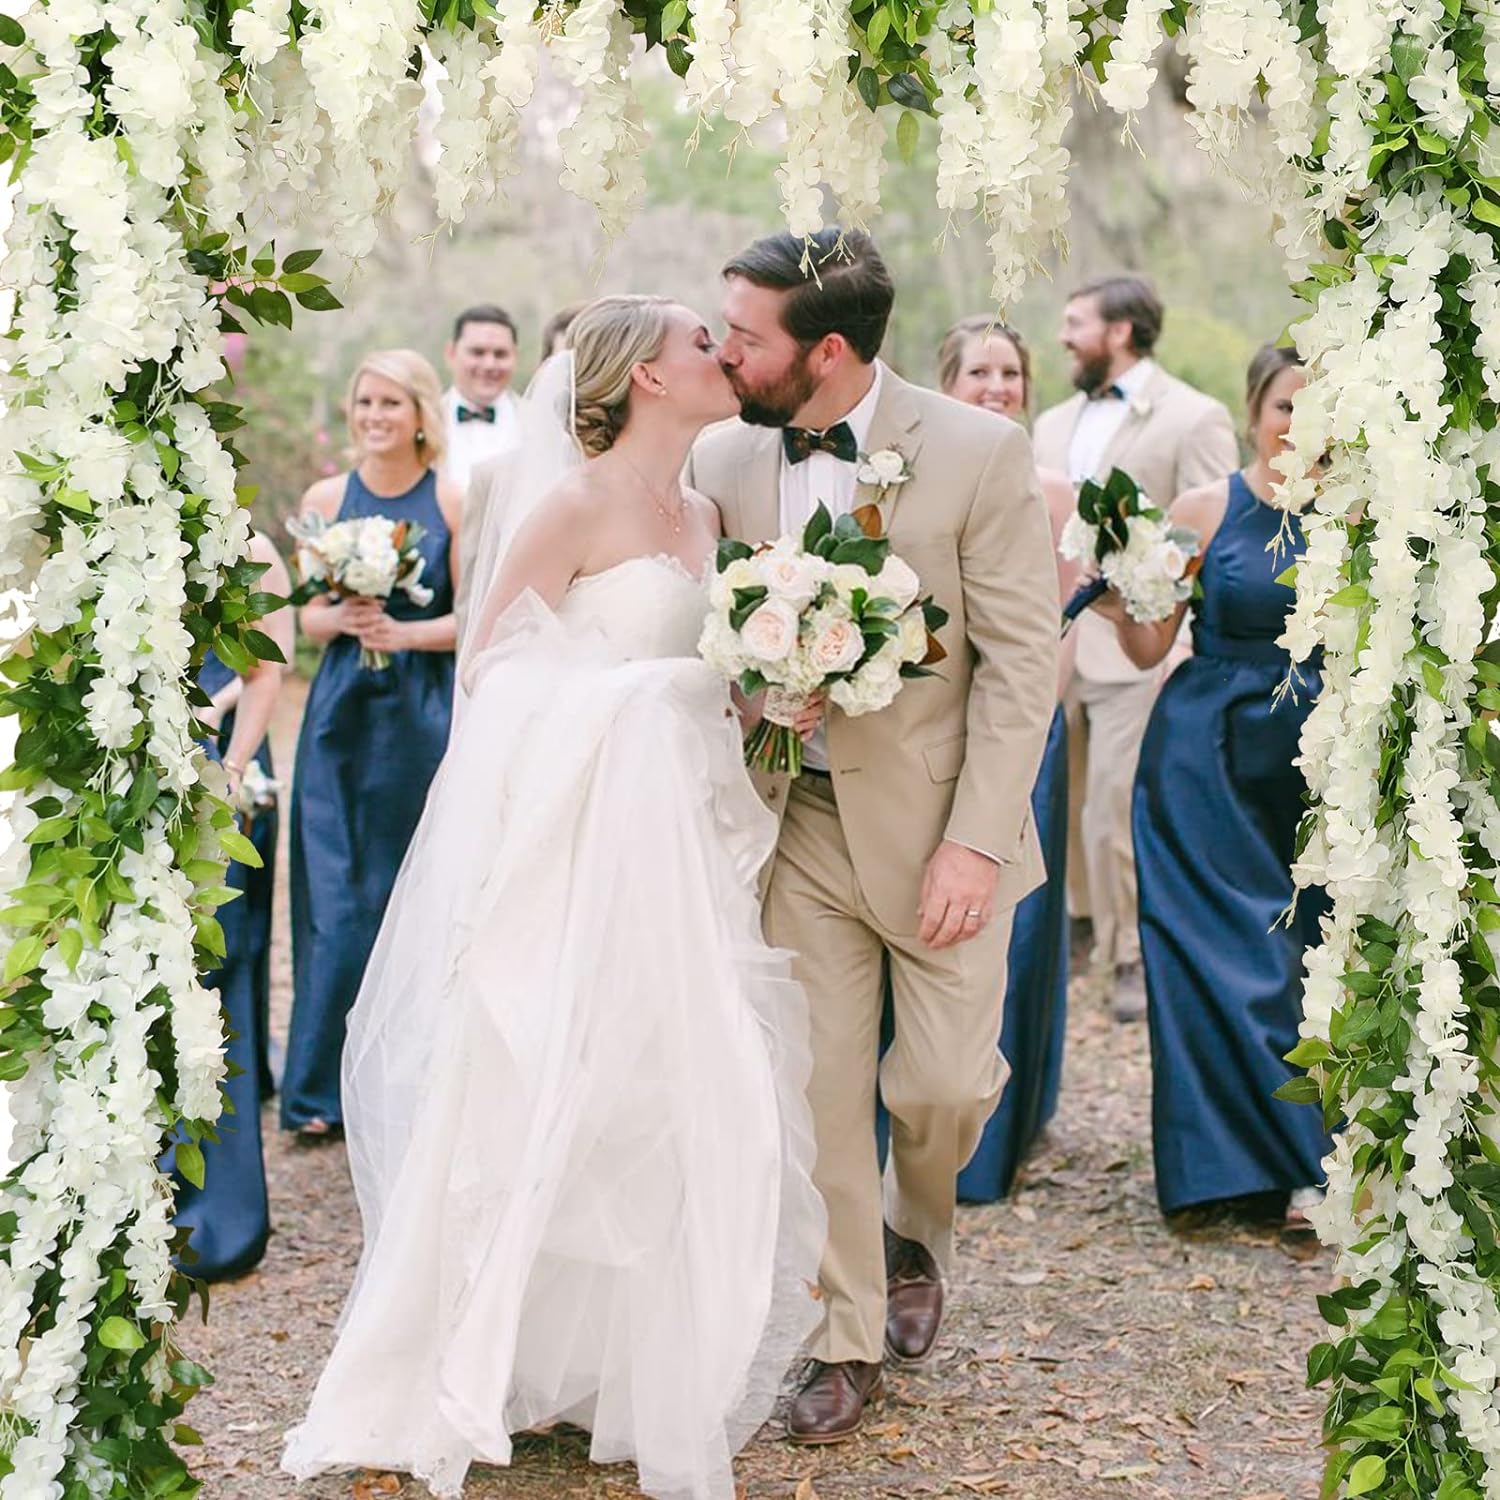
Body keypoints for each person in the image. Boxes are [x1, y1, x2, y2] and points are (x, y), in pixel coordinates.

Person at [282, 298, 825, 1500]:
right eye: (700, 343)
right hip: (581, 840)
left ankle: (623, 1372)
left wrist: (763, 695)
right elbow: (493, 666)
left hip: (680, 835)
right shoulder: (573, 503)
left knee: (673, 1084)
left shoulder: (710, 511)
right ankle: (473, 1358)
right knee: (547, 1078)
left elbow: (713, 672)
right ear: (643, 378)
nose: (722, 356)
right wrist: (642, 696)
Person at [689, 232, 1058, 1443]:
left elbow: (1020, 663)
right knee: (820, 1095)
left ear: (828, 351)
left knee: (942, 1091)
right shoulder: (725, 458)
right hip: (796, 819)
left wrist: (978, 841)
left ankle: (918, 1223)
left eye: (746, 336)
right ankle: (842, 1336)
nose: (724, 351)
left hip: (944, 829)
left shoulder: (977, 450)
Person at [1086, 343, 1330, 1226]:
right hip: (1208, 754)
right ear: (1255, 410)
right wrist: (1121, 597)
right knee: (1220, 959)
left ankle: (1312, 1162)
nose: (1303, 427)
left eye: (1323, 409)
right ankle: (1225, 1172)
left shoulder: (1367, 515)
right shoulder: (1203, 506)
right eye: (1287, 408)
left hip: (1319, 759)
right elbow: (1154, 644)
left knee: (1306, 959)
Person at [1033, 276, 1238, 1021]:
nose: (1062, 337)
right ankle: (1076, 937)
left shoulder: (1194, 417)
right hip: (1053, 637)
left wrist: (1172, 626)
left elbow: (1212, 538)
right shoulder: (1052, 423)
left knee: (1114, 805)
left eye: (1074, 321)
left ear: (1120, 331)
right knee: (1064, 796)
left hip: (1140, 641)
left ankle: (1132, 961)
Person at [281, 350, 462, 1142]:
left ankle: (405, 1089)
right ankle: (317, 1090)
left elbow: (479, 617)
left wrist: (405, 632)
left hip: (421, 718)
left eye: (391, 403)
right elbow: (303, 619)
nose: (375, 416)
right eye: (364, 402)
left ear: (422, 413)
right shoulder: (327, 498)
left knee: (410, 896)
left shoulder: (452, 502)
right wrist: (348, 619)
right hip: (340, 716)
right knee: (337, 899)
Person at [937, 317, 1080, 1199]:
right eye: (979, 372)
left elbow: (1048, 637)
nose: (997, 387)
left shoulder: (1060, 493)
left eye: (1011, 372)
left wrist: (1031, 727)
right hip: (930, 727)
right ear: (944, 385)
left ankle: (1002, 1131)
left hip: (1026, 729)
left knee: (1017, 925)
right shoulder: (915, 480)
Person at [171, 532, 293, 1280]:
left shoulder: (248, 547)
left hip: (225, 767)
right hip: (137, 765)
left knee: (222, 973)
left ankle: (222, 1206)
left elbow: (265, 669)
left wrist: (233, 772)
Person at [442, 304, 523, 492]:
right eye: (477, 352)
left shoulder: (538, 421)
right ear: (451, 353)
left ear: (515, 357)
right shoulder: (421, 420)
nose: (489, 364)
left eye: (500, 354)